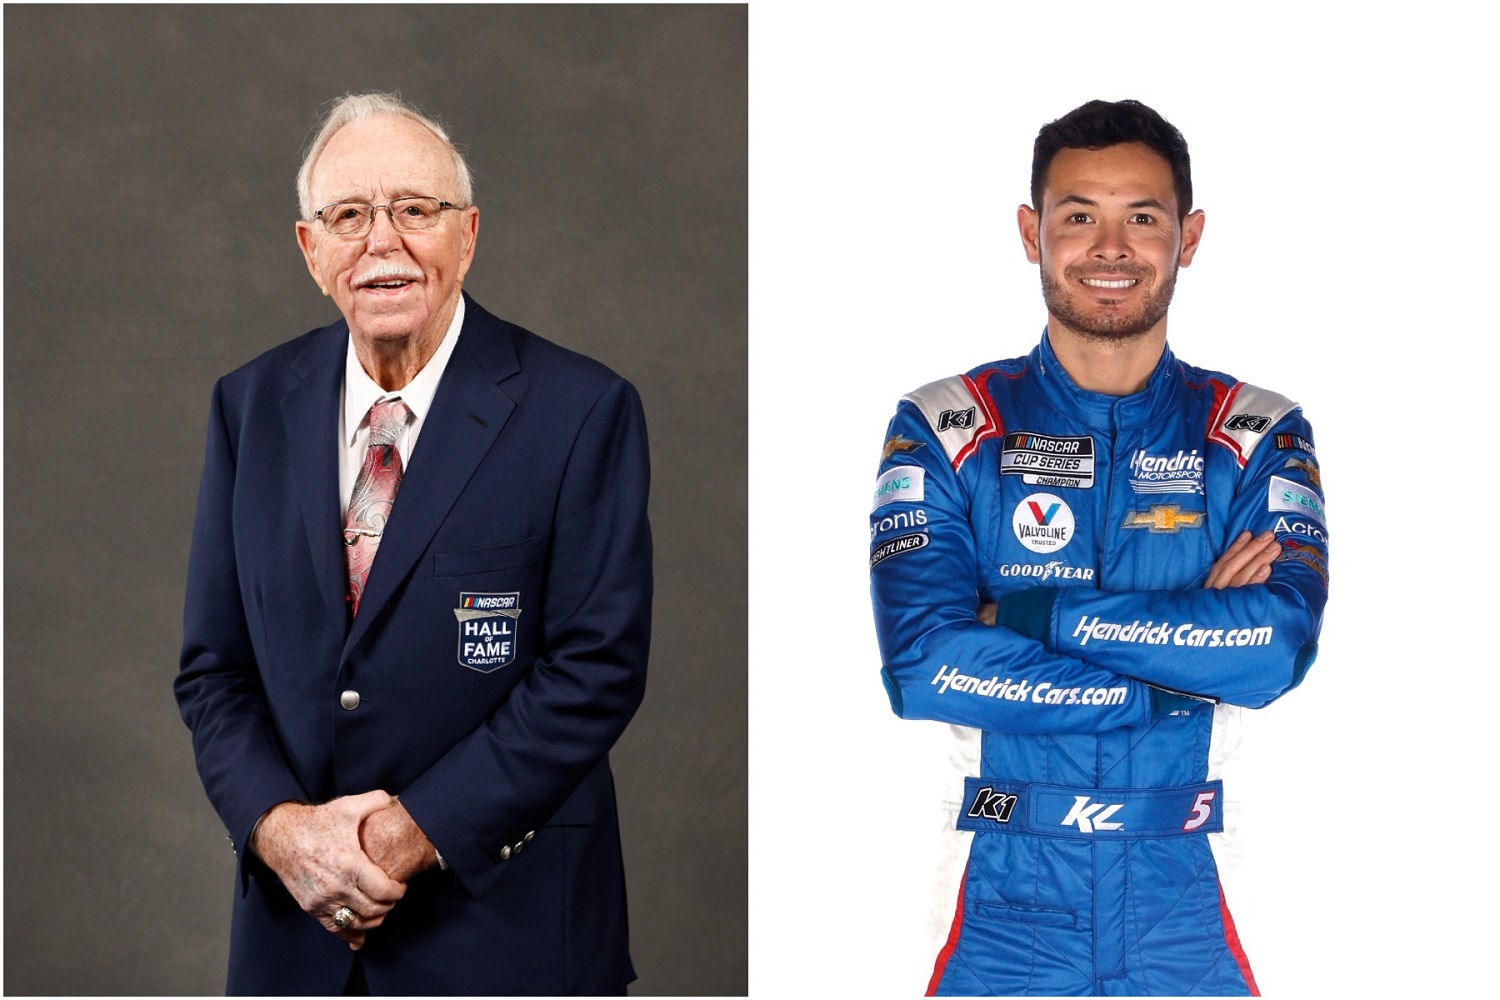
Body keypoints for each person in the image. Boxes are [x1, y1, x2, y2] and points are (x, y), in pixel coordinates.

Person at [175, 92, 651, 996]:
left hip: (505, 936)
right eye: (348, 215)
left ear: (466, 235)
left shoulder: (581, 409)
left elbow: (596, 669)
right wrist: (285, 832)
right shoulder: (249, 406)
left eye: (415, 210)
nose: (381, 241)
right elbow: (213, 671)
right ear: (311, 252)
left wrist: (401, 836)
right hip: (295, 942)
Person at [868, 99, 1327, 996]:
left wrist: (1030, 616)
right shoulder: (947, 425)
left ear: (1187, 238)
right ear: (1032, 231)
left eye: (1142, 218)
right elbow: (924, 668)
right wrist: (1182, 658)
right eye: (1080, 216)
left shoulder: (1256, 430)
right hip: (1000, 900)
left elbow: (1272, 648)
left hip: (1196, 898)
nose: (1110, 248)